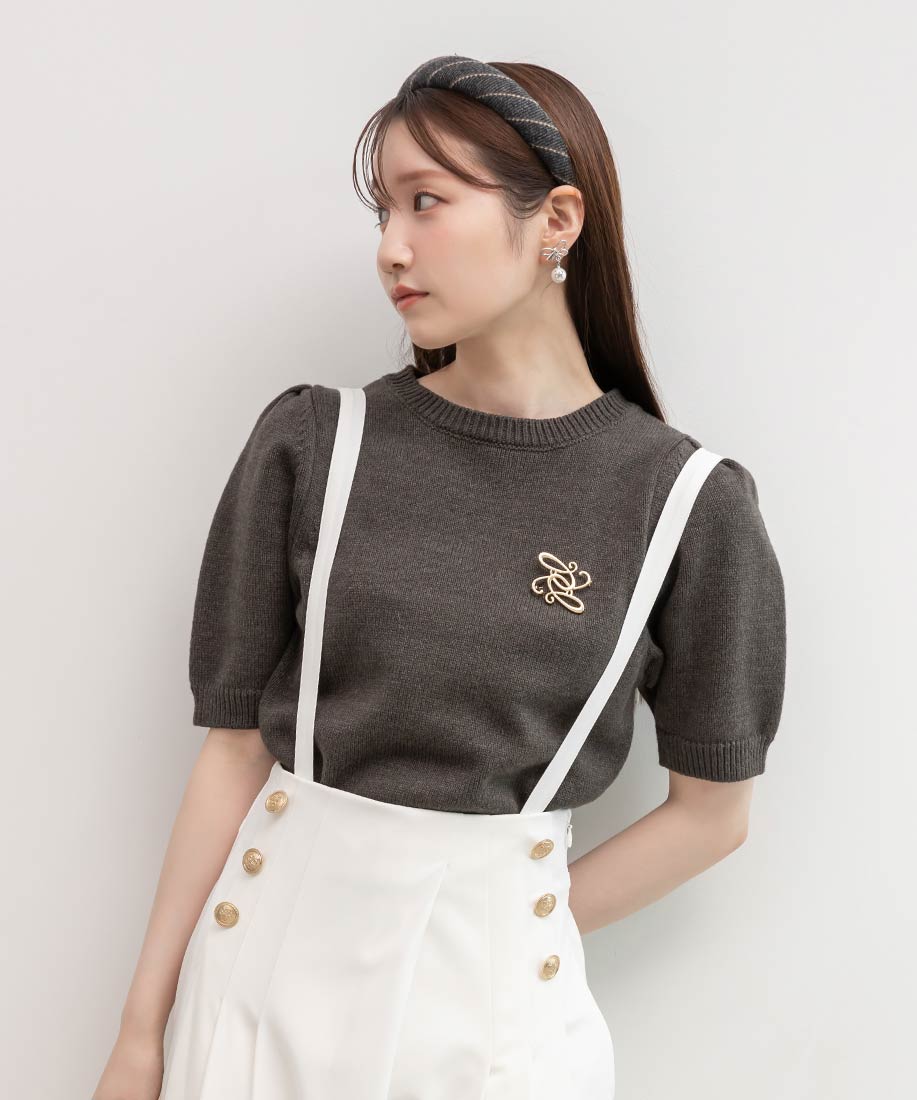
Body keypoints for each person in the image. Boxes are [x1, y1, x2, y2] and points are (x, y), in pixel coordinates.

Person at [93, 55, 786, 1100]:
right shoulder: (317, 442)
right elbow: (232, 750)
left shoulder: (686, 502)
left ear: (556, 220)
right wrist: (139, 1035)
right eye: (383, 208)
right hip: (258, 996)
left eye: (426, 201)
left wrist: (506, 920)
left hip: (498, 1037)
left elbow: (712, 815)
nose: (390, 246)